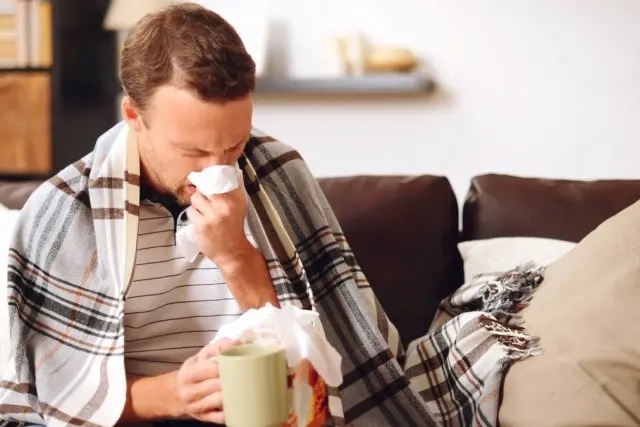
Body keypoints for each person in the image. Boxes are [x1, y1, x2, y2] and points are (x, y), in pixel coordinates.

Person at [0, 4, 545, 426]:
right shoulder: (63, 212)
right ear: (133, 116)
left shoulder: (276, 170)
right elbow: (56, 399)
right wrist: (177, 394)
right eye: (193, 152)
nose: (218, 168)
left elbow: (322, 370)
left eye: (233, 144)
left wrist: (236, 257)